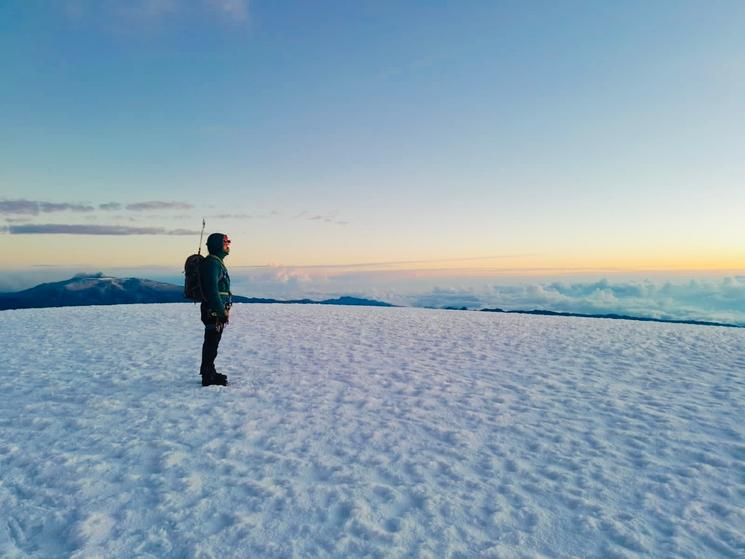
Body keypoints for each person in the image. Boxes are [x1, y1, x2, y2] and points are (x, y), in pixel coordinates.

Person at [199, 232, 232, 386]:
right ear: (218, 244)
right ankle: (207, 375)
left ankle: (209, 371)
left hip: (214, 310)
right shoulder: (213, 263)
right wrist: (221, 311)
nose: (228, 244)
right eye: (225, 242)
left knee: (213, 341)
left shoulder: (215, 262)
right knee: (212, 341)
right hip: (213, 311)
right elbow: (212, 290)